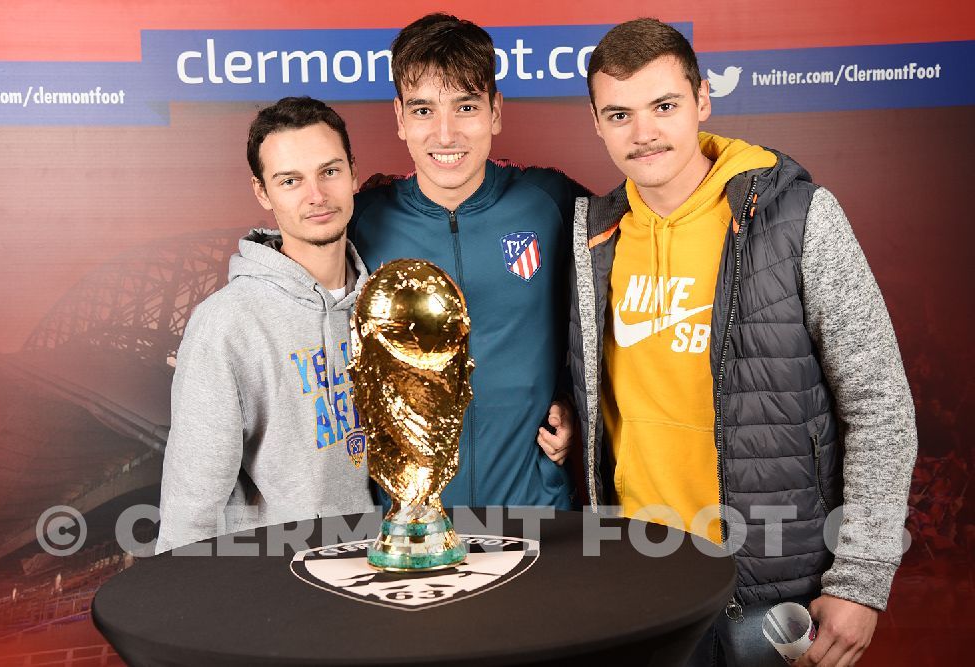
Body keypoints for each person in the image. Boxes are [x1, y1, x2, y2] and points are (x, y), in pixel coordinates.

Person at [569, 18, 917, 666]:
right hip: (637, 580)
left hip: (771, 588)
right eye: (619, 114)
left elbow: (880, 404)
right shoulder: (593, 234)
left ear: (702, 99)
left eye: (664, 106)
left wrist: (861, 579)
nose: (643, 133)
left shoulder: (798, 215)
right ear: (596, 122)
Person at [350, 13, 585, 509]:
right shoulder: (363, 221)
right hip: (408, 523)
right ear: (399, 118)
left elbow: (614, 301)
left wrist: (573, 402)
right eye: (423, 110)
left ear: (495, 112)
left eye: (466, 106)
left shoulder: (549, 200)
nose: (446, 134)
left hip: (534, 510)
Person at [156, 97, 373, 553]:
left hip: (388, 568)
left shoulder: (384, 305)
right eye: (290, 180)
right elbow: (192, 504)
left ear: (354, 173)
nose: (316, 195)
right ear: (262, 192)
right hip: (280, 578)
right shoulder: (227, 323)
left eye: (329, 171)